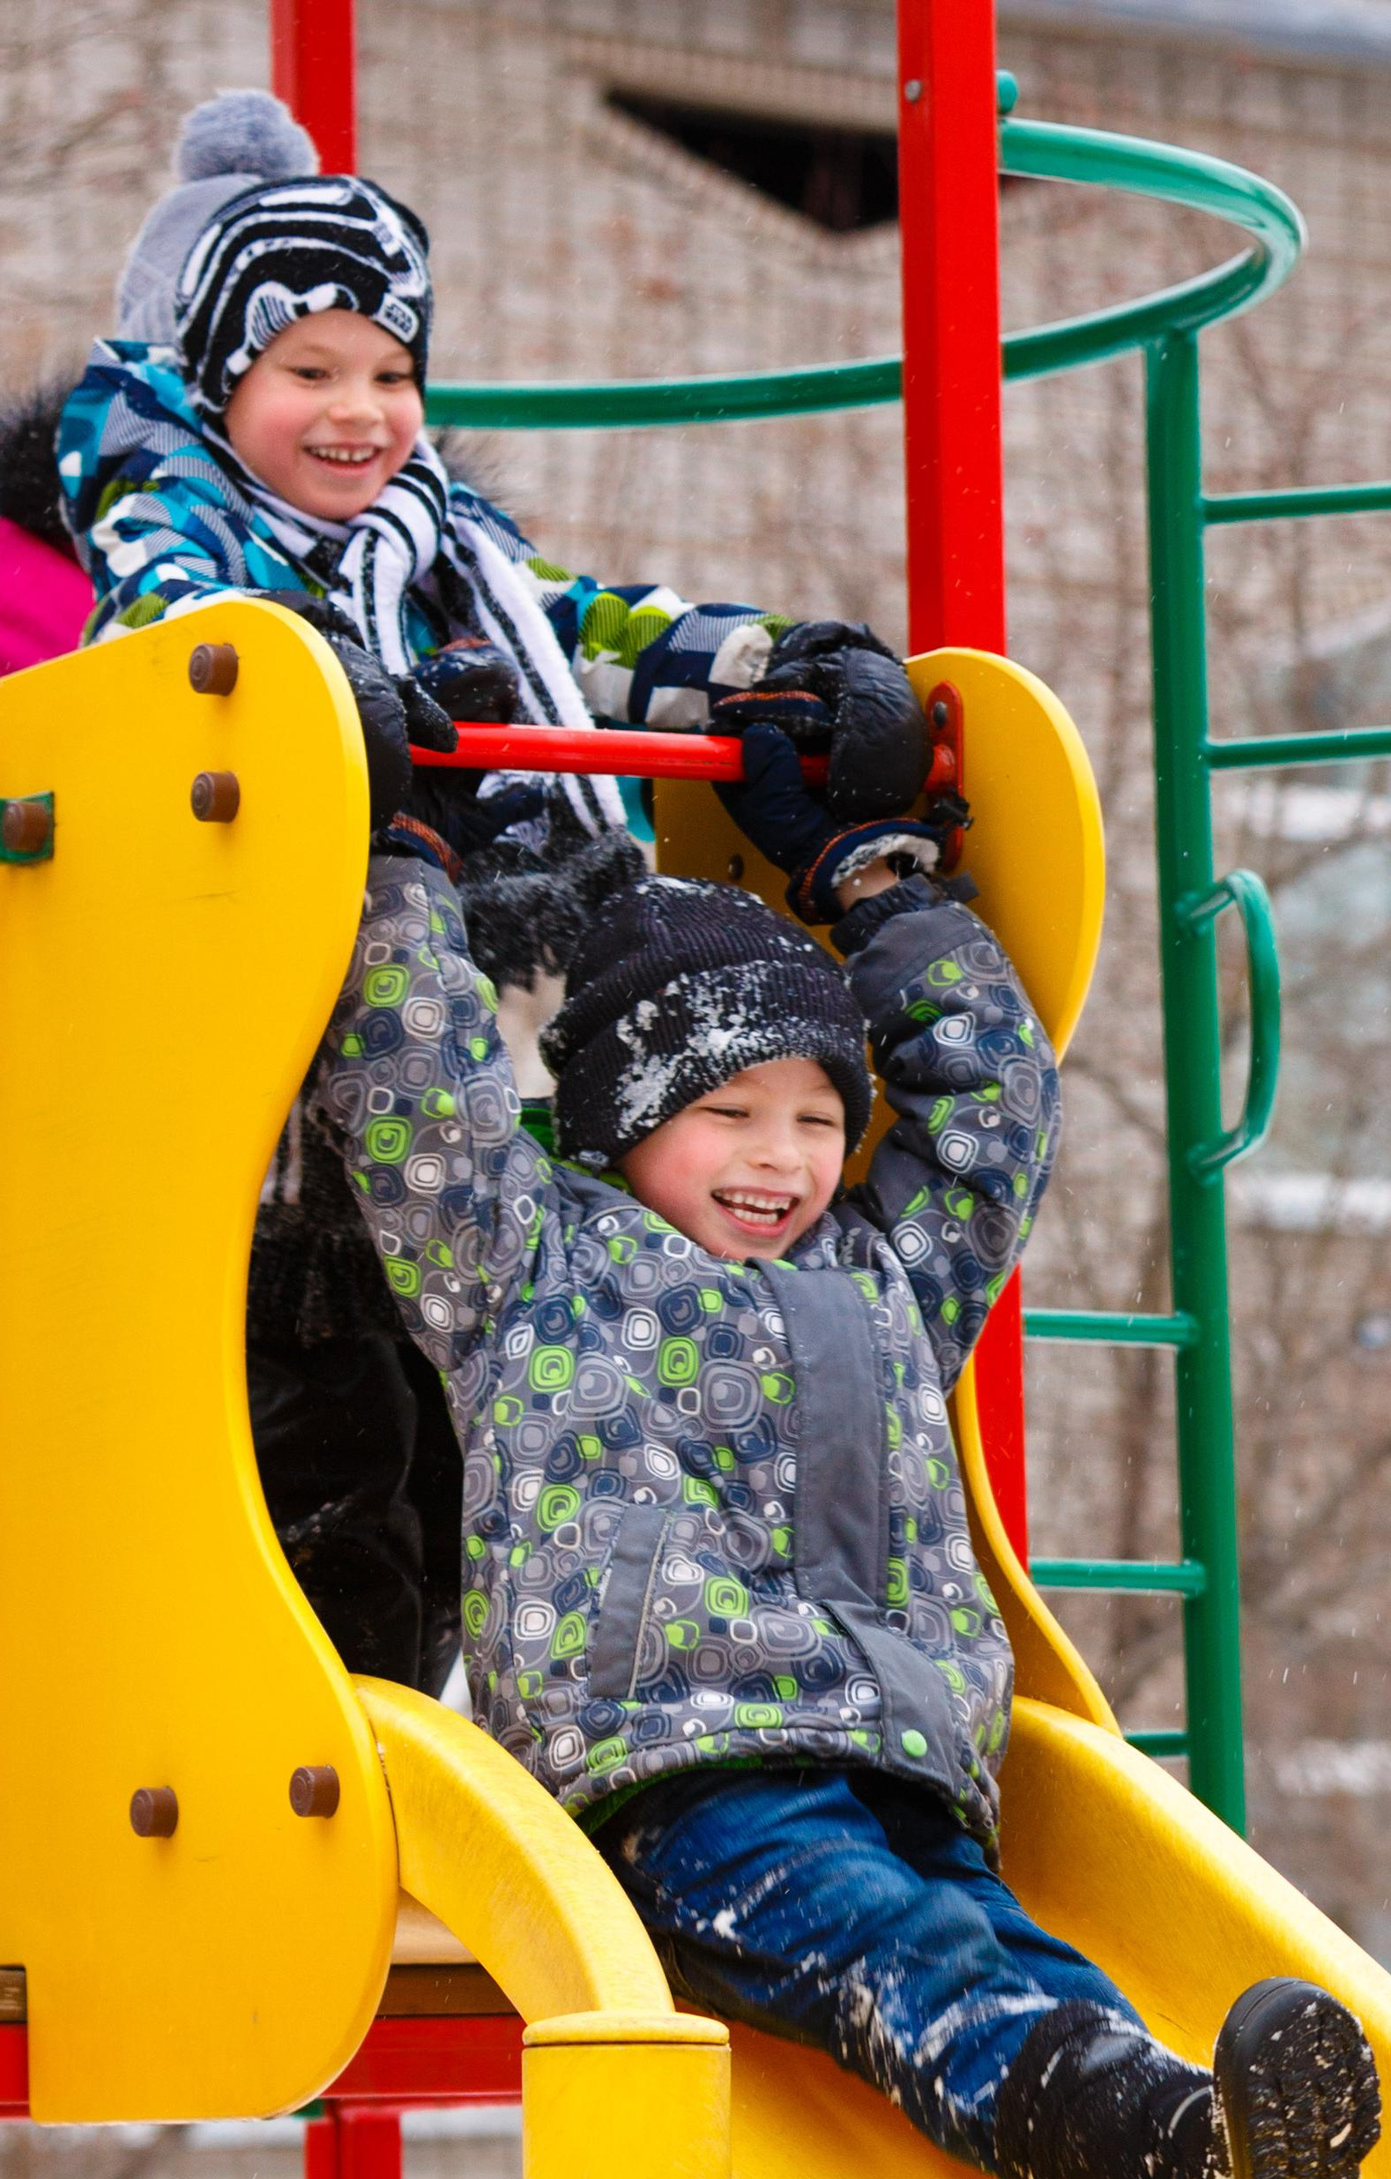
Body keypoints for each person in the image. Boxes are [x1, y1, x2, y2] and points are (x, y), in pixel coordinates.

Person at [294, 690, 1391, 2179]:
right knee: (944, 1999)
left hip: (910, 1767)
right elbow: (416, 1092)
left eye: (819, 1113)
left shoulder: (886, 1270)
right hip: (684, 1788)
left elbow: (995, 1099)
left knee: (1035, 1992)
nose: (779, 1156)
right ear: (618, 1121)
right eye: (725, 1114)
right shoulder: (534, 1262)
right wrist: (397, 866)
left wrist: (878, 879)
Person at [56, 94, 936, 1708]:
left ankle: (506, 1737)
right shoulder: (169, 522)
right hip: (282, 1122)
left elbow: (599, 625)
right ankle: (331, 1745)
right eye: (306, 371)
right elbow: (181, 629)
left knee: (483, 1439)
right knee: (333, 1442)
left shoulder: (445, 551)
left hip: (479, 1097)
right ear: (213, 380)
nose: (360, 413)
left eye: (391, 373)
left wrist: (771, 667)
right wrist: (308, 679)